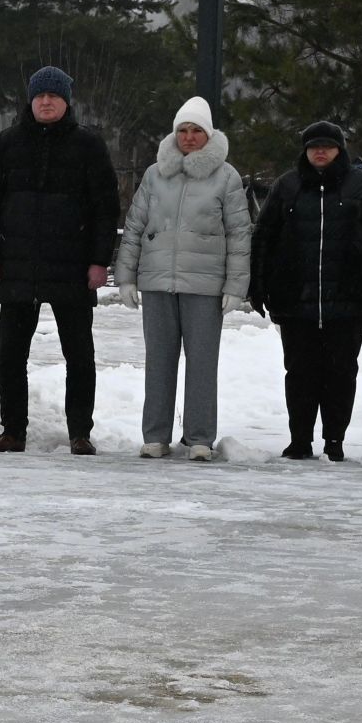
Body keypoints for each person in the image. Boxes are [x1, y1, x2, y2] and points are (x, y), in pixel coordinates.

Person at [0, 65, 120, 454]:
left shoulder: (89, 145)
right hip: (17, 265)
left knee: (80, 355)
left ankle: (80, 432)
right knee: (10, 356)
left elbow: (106, 208)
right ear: (30, 100)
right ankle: (13, 431)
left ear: (66, 101)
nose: (46, 102)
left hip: (72, 267)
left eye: (53, 96)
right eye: (40, 95)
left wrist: (100, 260)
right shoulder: (7, 144)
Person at [112, 96, 250, 459]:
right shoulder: (155, 174)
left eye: (196, 131)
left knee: (202, 363)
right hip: (157, 282)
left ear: (208, 134)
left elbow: (239, 234)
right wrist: (126, 277)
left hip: (205, 286)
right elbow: (135, 226)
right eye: (183, 130)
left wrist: (235, 286)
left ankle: (199, 437)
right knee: (158, 361)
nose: (189, 137)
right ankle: (156, 435)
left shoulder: (226, 177)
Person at [247, 118, 362, 460]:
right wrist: (259, 285)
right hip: (296, 299)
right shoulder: (287, 186)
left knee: (341, 373)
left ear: (339, 149)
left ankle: (335, 440)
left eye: (327, 146)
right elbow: (264, 237)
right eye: (314, 146)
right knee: (300, 373)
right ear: (305, 151)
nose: (321, 152)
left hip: (349, 300)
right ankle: (300, 439)